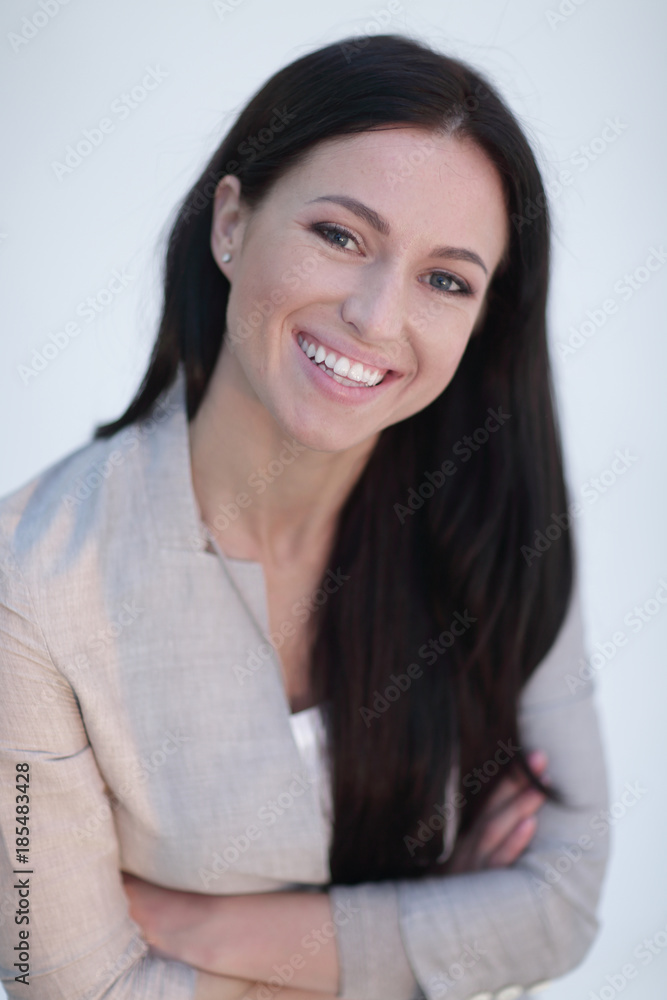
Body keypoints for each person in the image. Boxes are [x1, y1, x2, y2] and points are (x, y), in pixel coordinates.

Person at [0, 32, 610, 1000]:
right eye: (340, 235)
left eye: (444, 280)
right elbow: (76, 988)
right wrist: (428, 935)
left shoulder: (497, 523)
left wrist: (198, 927)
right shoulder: (32, 585)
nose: (376, 315)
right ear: (231, 222)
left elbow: (561, 903)